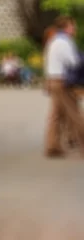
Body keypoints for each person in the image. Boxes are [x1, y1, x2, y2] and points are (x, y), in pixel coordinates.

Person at [44, 16, 84, 158]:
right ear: (66, 27)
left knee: (56, 115)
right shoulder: (65, 42)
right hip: (62, 81)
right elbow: (73, 62)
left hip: (53, 79)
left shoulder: (53, 40)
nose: (75, 28)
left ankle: (52, 145)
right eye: (72, 26)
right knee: (75, 114)